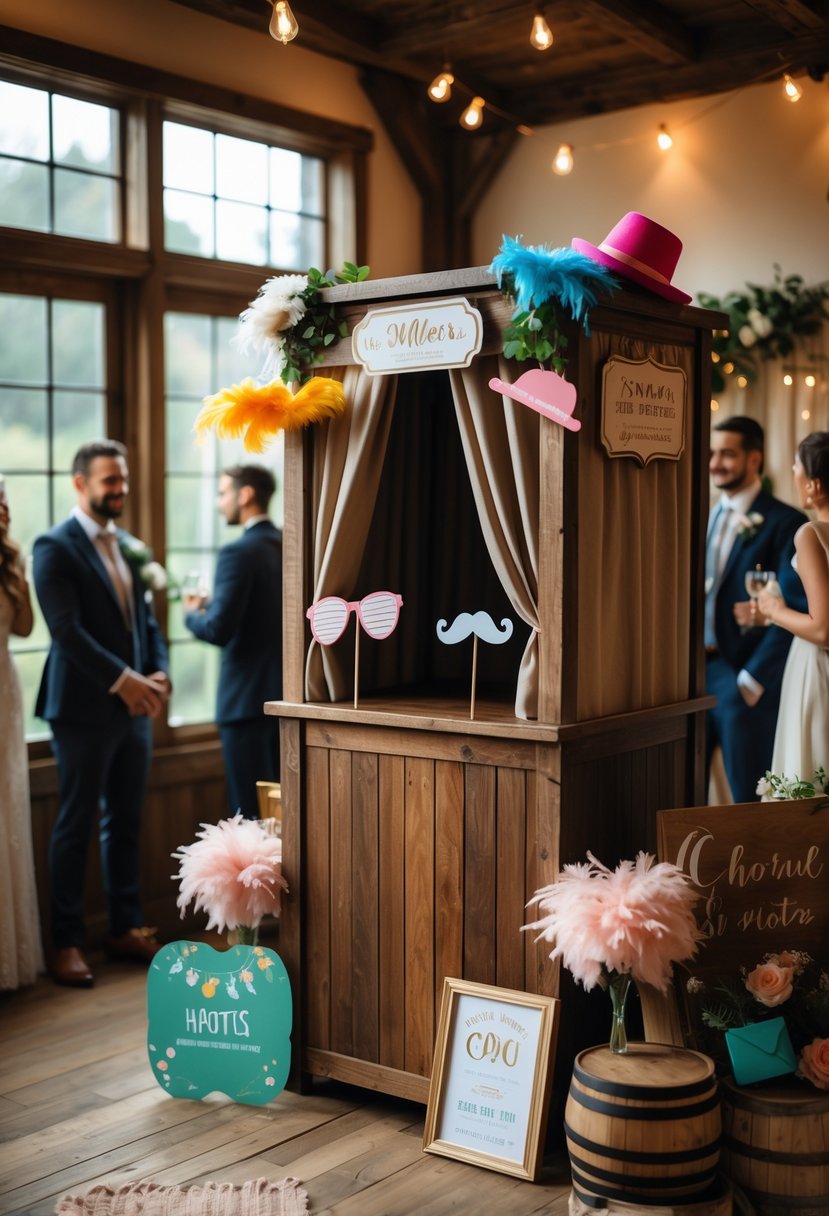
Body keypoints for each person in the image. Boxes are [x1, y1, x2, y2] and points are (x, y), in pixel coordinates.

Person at [32, 440, 171, 987]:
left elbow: (148, 623)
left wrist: (156, 672)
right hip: (83, 710)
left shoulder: (130, 548)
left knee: (127, 819)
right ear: (79, 484)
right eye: (109, 480)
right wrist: (123, 681)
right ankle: (66, 941)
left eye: (123, 479)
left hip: (136, 709)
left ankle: (125, 926)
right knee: (75, 823)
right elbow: (66, 632)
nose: (120, 489)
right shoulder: (54, 546)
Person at [704, 416, 807, 803]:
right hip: (691, 676)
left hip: (740, 678)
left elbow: (797, 609)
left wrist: (752, 682)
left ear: (754, 459)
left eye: (727, 454)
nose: (715, 463)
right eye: (712, 453)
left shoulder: (787, 523)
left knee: (748, 799)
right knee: (680, 795)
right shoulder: (704, 513)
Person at [183, 464, 282, 819]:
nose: (218, 502)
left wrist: (191, 614)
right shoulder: (291, 543)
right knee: (283, 811)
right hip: (287, 699)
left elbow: (218, 630)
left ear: (246, 494)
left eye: (223, 493)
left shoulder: (237, 553)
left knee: (249, 813)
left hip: (245, 704)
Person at [757, 433, 829, 782]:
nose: (792, 472)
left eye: (796, 467)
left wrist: (773, 609)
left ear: (814, 485)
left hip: (817, 668)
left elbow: (822, 629)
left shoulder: (811, 534)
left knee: (811, 778)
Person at [0, 482, 45, 989]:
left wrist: (21, 576)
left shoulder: (12, 564)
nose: (5, 508)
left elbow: (28, 628)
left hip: (4, 692)